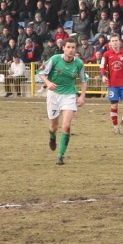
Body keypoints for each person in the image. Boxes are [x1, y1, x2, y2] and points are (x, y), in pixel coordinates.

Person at [38, 37, 88, 165]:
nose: (71, 50)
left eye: (73, 47)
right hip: (54, 95)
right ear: (63, 48)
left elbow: (84, 80)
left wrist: (82, 96)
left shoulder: (79, 63)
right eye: (68, 47)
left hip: (69, 95)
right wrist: (48, 83)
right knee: (54, 127)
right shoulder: (55, 59)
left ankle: (60, 156)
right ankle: (52, 136)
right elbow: (41, 72)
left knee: (66, 126)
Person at [100, 33, 123, 134]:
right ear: (109, 43)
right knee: (114, 106)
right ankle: (115, 126)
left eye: (116, 41)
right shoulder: (106, 54)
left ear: (120, 42)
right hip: (112, 85)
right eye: (113, 41)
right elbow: (102, 66)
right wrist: (103, 75)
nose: (115, 43)